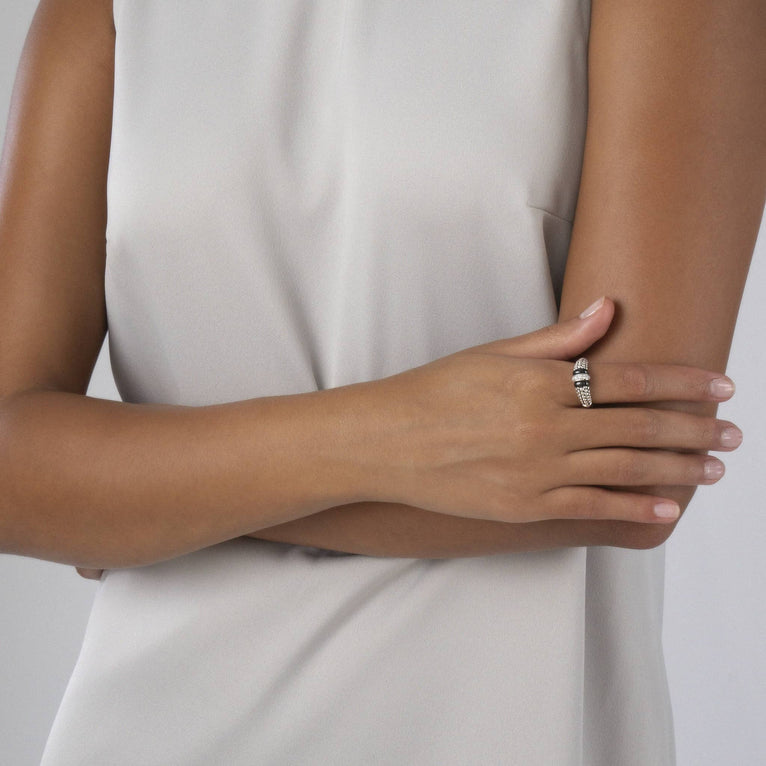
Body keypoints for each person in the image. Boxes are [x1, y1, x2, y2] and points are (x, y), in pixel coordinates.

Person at [0, 0, 762, 763]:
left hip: (503, 733)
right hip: (147, 730)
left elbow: (631, 473)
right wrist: (398, 436)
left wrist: (136, 494)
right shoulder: (101, 12)